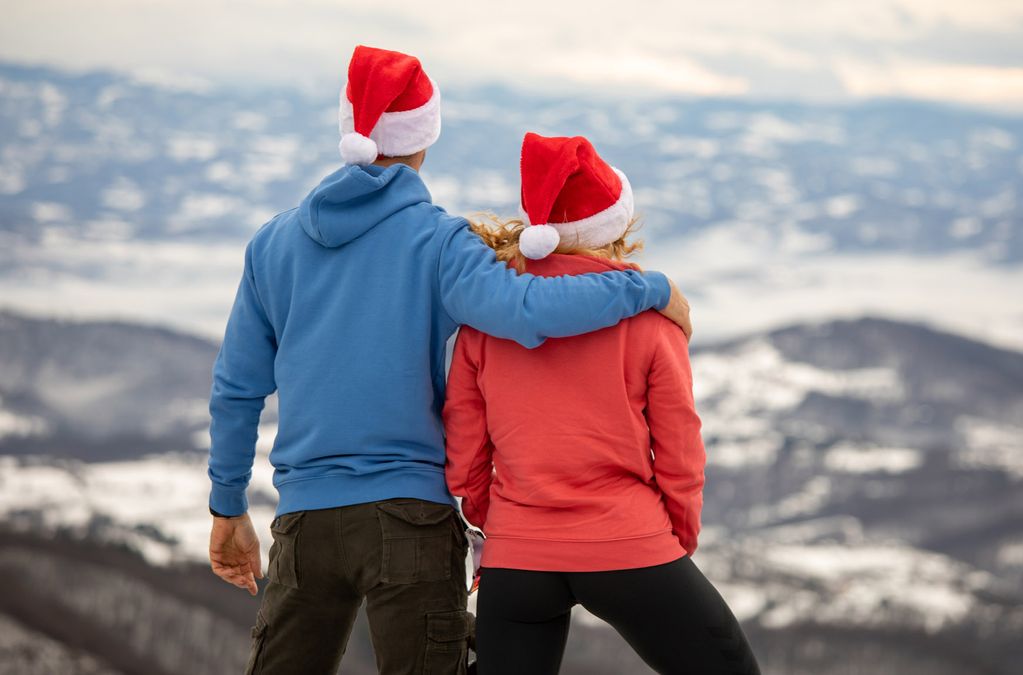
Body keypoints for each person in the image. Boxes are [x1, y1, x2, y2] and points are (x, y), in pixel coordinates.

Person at [205, 47, 692, 675]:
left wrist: (226, 507)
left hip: (305, 523)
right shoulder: (439, 241)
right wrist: (649, 289)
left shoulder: (272, 243)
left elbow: (236, 388)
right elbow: (526, 310)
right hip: (410, 518)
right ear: (424, 137)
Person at [443, 132, 759, 675]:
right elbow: (680, 447)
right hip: (628, 542)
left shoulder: (487, 323)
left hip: (518, 554)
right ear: (615, 228)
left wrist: (500, 526)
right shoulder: (651, 322)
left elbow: (466, 451)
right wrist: (674, 535)